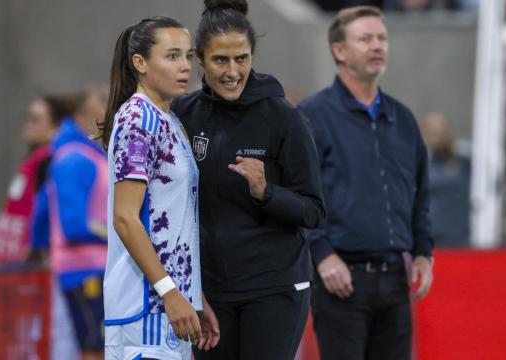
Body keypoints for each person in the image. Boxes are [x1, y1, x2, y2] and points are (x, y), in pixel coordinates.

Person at [171, 1, 326, 359]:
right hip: (210, 291)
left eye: (241, 58)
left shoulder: (285, 118)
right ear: (198, 59)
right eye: (220, 60)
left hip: (274, 288)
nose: (232, 71)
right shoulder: (184, 114)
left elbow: (314, 211)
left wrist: (265, 192)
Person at [297, 6, 434, 360]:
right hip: (339, 281)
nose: (377, 46)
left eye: (382, 38)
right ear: (339, 51)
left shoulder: (402, 117)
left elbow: (420, 192)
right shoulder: (312, 116)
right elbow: (297, 195)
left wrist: (422, 251)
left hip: (395, 281)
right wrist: (322, 255)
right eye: (365, 39)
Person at [97, 16, 219, 360]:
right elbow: (125, 218)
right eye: (171, 56)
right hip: (145, 308)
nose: (184, 67)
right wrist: (170, 292)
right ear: (140, 63)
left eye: (187, 56)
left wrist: (193, 295)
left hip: (171, 306)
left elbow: (176, 222)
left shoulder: (169, 119)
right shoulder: (139, 118)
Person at [29, 88, 110, 360]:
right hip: (84, 270)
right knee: (93, 348)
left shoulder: (81, 153)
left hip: (87, 268)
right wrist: (123, 236)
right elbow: (73, 225)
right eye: (104, 99)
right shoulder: (75, 157)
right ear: (82, 112)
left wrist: (39, 245)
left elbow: (41, 208)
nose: (112, 106)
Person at [0, 96, 66, 263]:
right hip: (6, 260)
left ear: (55, 126)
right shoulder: (32, 159)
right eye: (27, 117)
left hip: (27, 263)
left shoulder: (50, 161)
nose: (27, 123)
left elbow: (47, 211)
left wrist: (33, 253)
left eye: (35, 119)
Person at [420, 112, 471, 248]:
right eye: (432, 132)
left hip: (458, 239)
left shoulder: (462, 162)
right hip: (429, 239)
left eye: (440, 131)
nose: (436, 136)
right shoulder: (419, 164)